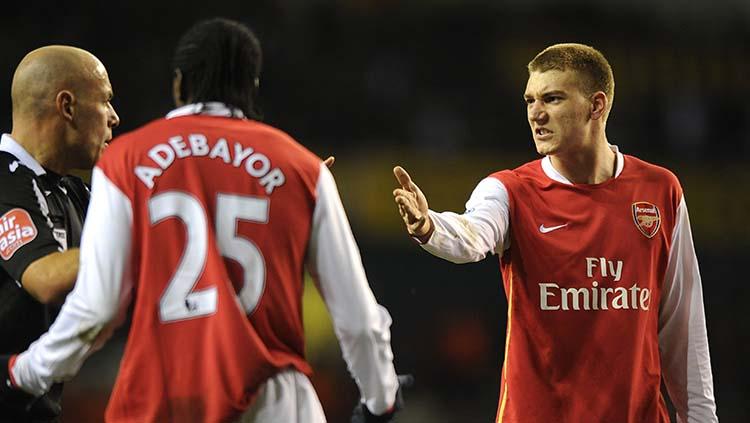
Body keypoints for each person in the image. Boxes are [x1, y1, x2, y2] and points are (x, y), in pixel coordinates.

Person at [2, 18, 406, 423]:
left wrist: (27, 372)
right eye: (106, 100)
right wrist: (380, 400)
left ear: (179, 85)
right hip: (276, 403)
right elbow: (358, 318)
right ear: (253, 86)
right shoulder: (301, 168)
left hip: (160, 397)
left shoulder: (127, 162)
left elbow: (97, 307)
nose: (115, 116)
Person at [393, 43, 717, 422]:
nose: (536, 114)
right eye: (530, 100)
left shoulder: (660, 192)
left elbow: (683, 329)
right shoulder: (510, 191)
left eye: (552, 98)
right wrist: (430, 225)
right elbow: (473, 233)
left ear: (596, 106)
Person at [0, 45, 120, 421]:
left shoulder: (70, 192)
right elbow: (46, 277)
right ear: (67, 106)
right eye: (105, 101)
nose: (114, 117)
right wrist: (137, 236)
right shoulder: (4, 181)